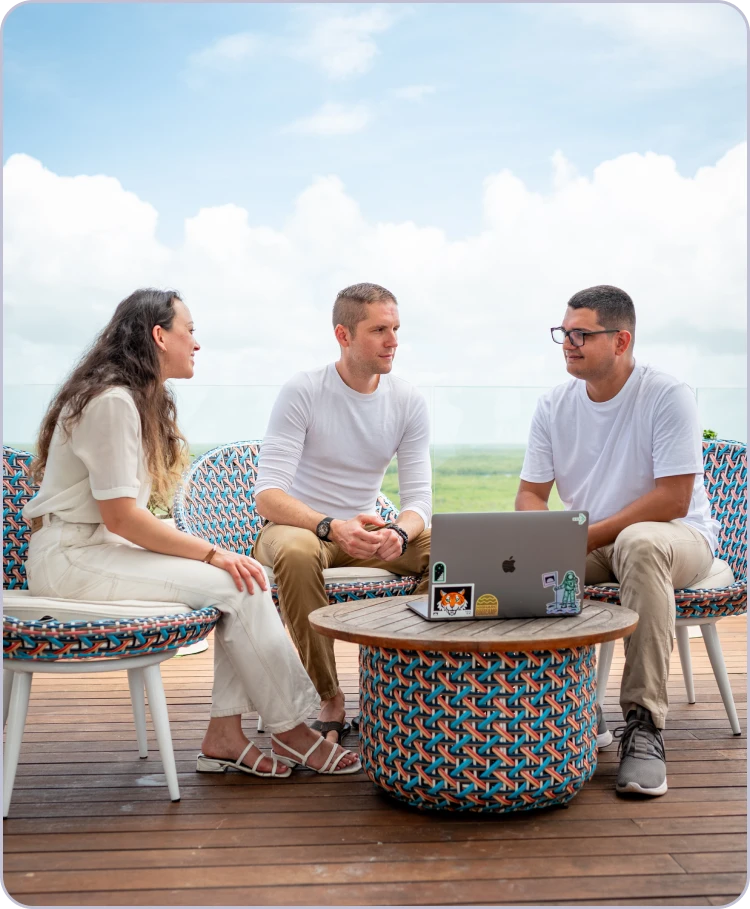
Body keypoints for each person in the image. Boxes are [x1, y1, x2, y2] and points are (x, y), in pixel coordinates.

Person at [23, 288, 360, 778]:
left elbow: (121, 519)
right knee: (236, 579)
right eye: (190, 331)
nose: (196, 344)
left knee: (244, 577)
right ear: (159, 336)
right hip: (71, 557)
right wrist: (212, 554)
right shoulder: (112, 401)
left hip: (95, 548)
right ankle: (291, 729)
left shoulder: (131, 399)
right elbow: (121, 517)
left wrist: (217, 555)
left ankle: (225, 734)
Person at [516, 284, 718, 798]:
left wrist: (577, 536)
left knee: (641, 544)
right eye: (564, 332)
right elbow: (530, 495)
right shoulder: (553, 405)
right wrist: (545, 540)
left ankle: (644, 726)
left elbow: (673, 500)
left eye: (582, 333)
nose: (568, 342)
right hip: (598, 540)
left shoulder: (666, 395)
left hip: (677, 539)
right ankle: (570, 710)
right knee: (516, 574)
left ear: (621, 340)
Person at [254, 282, 432, 743]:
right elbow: (268, 496)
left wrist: (399, 532)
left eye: (395, 328)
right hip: (299, 529)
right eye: (379, 330)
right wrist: (330, 526)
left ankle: (410, 682)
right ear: (344, 335)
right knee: (295, 551)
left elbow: (419, 503)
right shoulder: (304, 390)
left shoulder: (408, 400)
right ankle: (327, 696)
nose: (393, 340)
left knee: (450, 548)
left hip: (365, 535)